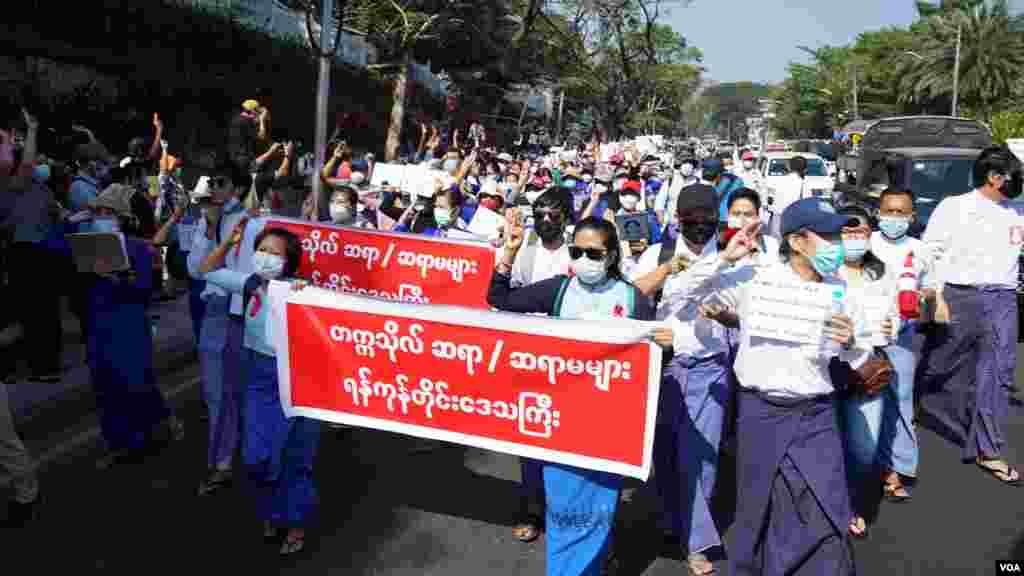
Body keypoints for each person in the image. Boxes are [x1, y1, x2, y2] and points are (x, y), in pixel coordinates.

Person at [674, 198, 866, 575]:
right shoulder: (756, 279)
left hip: (816, 415)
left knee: (825, 502)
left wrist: (852, 341)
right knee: (760, 506)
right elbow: (682, 293)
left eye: (836, 235)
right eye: (826, 236)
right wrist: (725, 258)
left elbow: (863, 350)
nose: (836, 245)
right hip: (761, 413)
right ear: (796, 241)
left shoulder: (840, 287)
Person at [488, 215, 672, 575]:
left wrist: (666, 346)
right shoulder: (558, 289)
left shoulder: (632, 298)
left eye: (594, 252)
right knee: (565, 510)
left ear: (612, 255)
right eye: (577, 251)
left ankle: (597, 560)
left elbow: (649, 361)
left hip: (607, 426)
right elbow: (499, 298)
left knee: (598, 508)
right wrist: (508, 254)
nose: (584, 259)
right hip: (562, 422)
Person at [200, 226, 319, 556]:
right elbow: (205, 269)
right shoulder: (250, 283)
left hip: (297, 381)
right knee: (256, 456)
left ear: (290, 262)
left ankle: (293, 522)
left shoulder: (301, 290)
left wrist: (304, 291)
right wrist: (229, 242)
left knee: (294, 454)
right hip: (257, 377)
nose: (266, 257)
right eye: (262, 250)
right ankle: (270, 511)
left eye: (275, 253)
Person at [631, 184, 729, 576]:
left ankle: (696, 542)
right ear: (678, 221)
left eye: (708, 221)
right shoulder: (659, 254)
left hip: (711, 370)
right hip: (665, 370)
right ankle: (675, 522)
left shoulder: (731, 257)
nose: (701, 228)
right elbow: (630, 295)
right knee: (667, 457)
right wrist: (665, 271)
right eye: (693, 221)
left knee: (702, 461)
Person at [917, 145, 1024, 485]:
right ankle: (921, 403)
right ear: (994, 178)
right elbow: (929, 252)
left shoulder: (1018, 210)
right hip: (959, 297)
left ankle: (988, 448)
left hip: (1003, 299)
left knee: (999, 372)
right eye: (1015, 175)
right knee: (942, 365)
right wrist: (937, 296)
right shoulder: (955, 207)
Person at [81, 184, 183, 467]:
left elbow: (143, 290)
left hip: (129, 323)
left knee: (136, 381)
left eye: (106, 212)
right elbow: (52, 250)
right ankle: (120, 444)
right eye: (97, 211)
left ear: (121, 217)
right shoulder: (85, 244)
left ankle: (152, 430)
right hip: (98, 325)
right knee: (106, 385)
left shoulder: (139, 247)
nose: (99, 216)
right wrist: (70, 219)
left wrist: (116, 278)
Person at [830, 205, 906, 539]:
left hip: (867, 368)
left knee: (864, 447)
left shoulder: (883, 272)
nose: (855, 239)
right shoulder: (826, 271)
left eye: (861, 232)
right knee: (827, 444)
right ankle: (836, 506)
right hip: (827, 370)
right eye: (847, 232)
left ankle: (855, 501)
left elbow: (894, 316)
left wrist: (895, 325)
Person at [188, 160, 255, 494]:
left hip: (237, 314)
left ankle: (233, 459)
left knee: (235, 391)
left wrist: (214, 264)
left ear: (237, 189)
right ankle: (224, 459)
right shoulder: (207, 221)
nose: (212, 188)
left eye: (220, 182)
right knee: (217, 393)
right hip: (214, 310)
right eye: (211, 182)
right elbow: (194, 269)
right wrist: (211, 233)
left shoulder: (249, 223)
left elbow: (242, 277)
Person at [869, 188, 932, 499]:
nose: (894, 218)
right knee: (862, 400)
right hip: (863, 337)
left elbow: (932, 290)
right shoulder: (863, 243)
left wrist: (923, 297)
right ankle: (863, 464)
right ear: (878, 212)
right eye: (889, 211)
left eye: (901, 212)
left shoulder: (921, 250)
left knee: (900, 398)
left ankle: (897, 467)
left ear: (911, 216)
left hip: (901, 337)